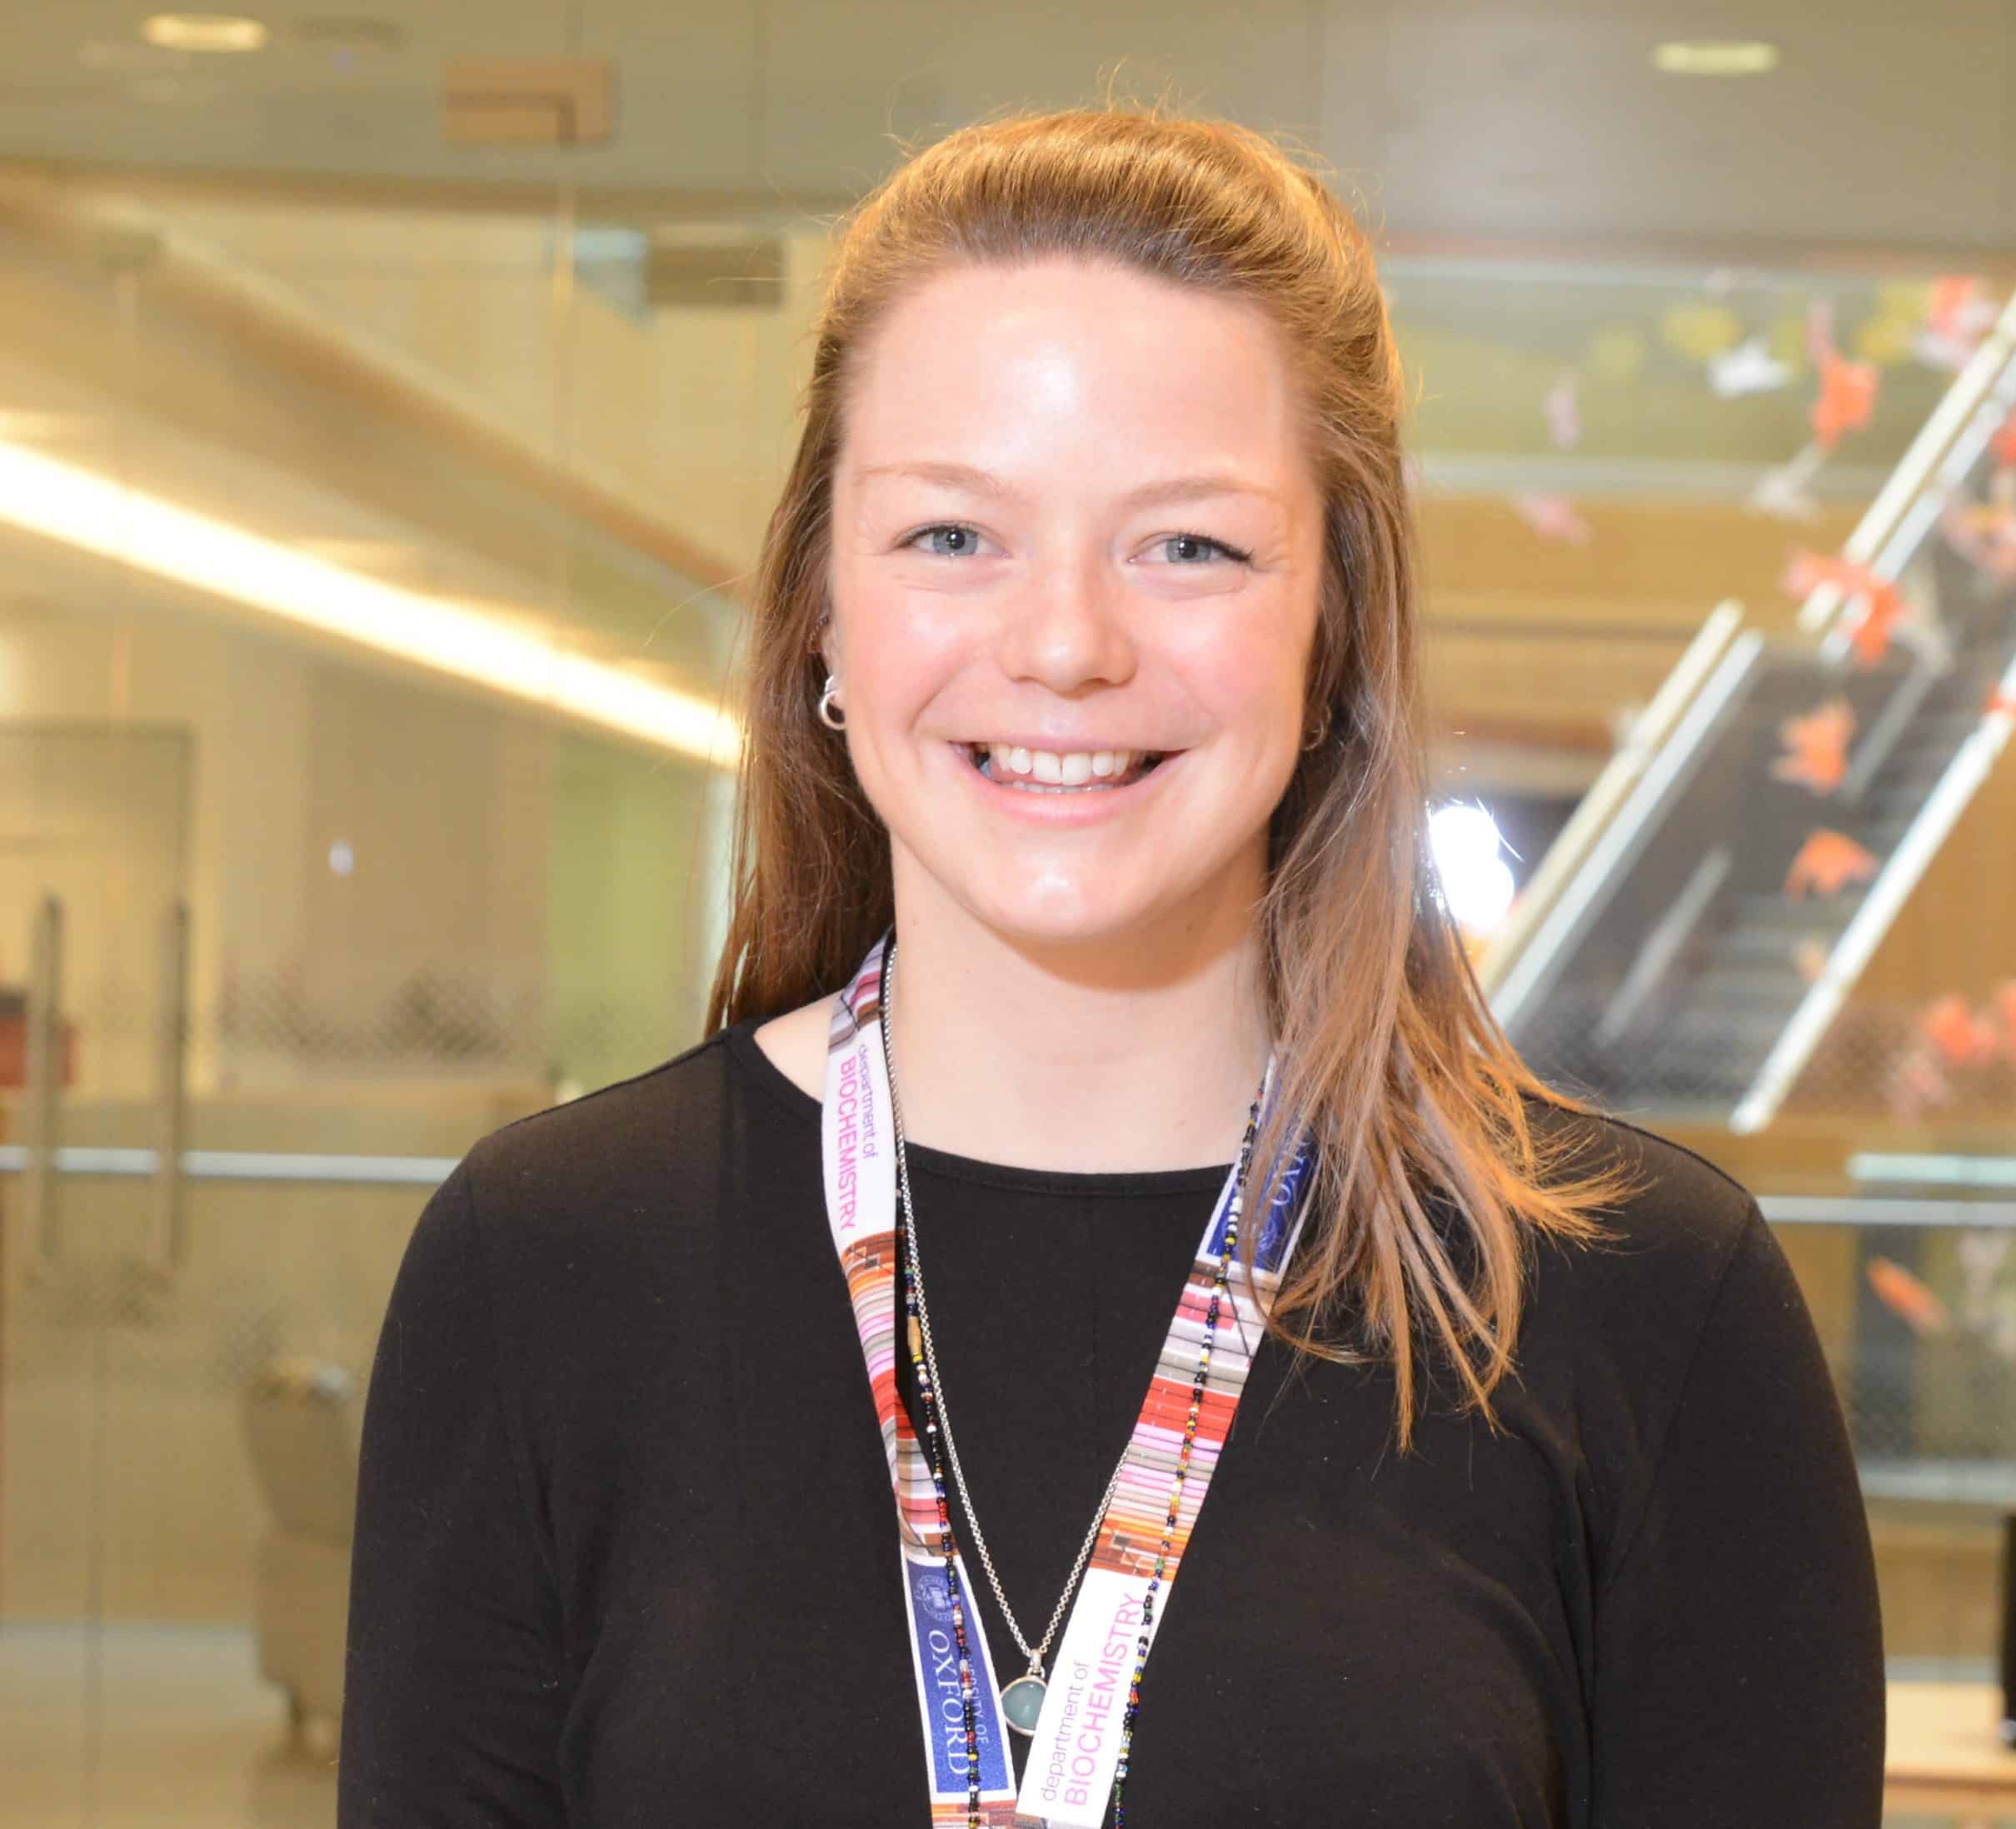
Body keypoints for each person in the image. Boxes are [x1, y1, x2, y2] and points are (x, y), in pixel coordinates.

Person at [338, 106, 1885, 1827]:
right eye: (950, 536)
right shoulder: (543, 1263)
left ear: (1329, 636)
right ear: (823, 619)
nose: (1064, 644)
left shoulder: (1638, 1304)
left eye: (1189, 546)